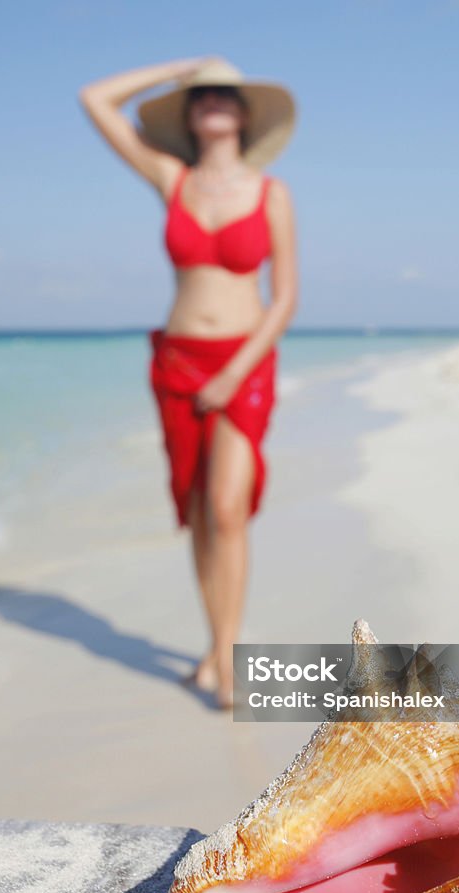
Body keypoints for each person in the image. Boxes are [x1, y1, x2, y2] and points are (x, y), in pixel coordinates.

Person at [79, 57, 298, 708]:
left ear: (245, 113)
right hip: (178, 361)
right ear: (188, 111)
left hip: (244, 359)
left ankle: (229, 663)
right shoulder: (170, 177)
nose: (212, 102)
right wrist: (181, 67)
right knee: (200, 512)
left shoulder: (271, 192)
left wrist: (234, 371)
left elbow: (283, 298)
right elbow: (94, 97)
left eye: (225, 94)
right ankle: (215, 644)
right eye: (200, 95)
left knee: (229, 508)